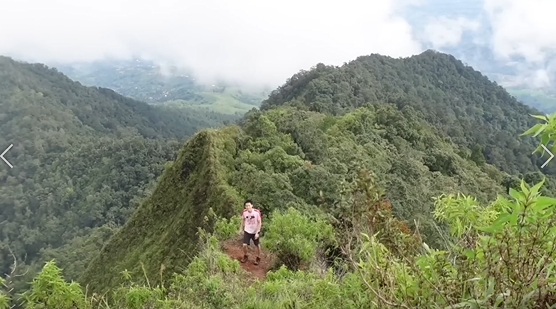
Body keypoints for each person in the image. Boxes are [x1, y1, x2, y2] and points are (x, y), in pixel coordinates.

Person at [238, 199, 262, 265]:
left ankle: (258, 257)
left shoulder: (256, 212)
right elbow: (243, 220)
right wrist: (241, 229)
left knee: (257, 245)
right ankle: (246, 255)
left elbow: (259, 222)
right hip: (247, 230)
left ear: (252, 205)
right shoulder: (244, 212)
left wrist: (257, 232)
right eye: (246, 206)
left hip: (255, 231)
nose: (248, 207)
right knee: (244, 245)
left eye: (249, 205)